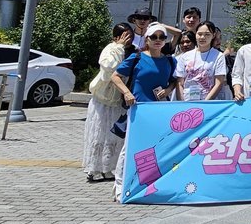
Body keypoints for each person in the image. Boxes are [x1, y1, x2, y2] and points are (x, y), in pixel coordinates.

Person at [110, 22, 178, 201]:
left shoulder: (170, 61)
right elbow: (115, 76)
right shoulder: (137, 57)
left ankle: (148, 184)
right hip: (138, 109)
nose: (158, 40)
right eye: (154, 37)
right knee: (129, 148)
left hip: (159, 110)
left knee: (155, 148)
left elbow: (174, 81)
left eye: (162, 37)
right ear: (147, 39)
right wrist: (127, 92)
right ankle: (119, 186)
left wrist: (168, 90)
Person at [83, 23, 133, 183]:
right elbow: (110, 67)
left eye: (130, 36)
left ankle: (108, 168)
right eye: (124, 35)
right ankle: (93, 168)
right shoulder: (111, 49)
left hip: (117, 101)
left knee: (114, 136)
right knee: (98, 133)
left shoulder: (132, 52)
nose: (128, 39)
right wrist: (119, 47)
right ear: (116, 36)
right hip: (102, 100)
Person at [175, 20, 229, 101]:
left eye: (207, 34)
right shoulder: (185, 56)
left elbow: (218, 83)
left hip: (207, 102)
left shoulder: (218, 56)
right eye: (199, 34)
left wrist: (205, 103)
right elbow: (179, 82)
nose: (202, 37)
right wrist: (182, 103)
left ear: (213, 35)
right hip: (187, 101)